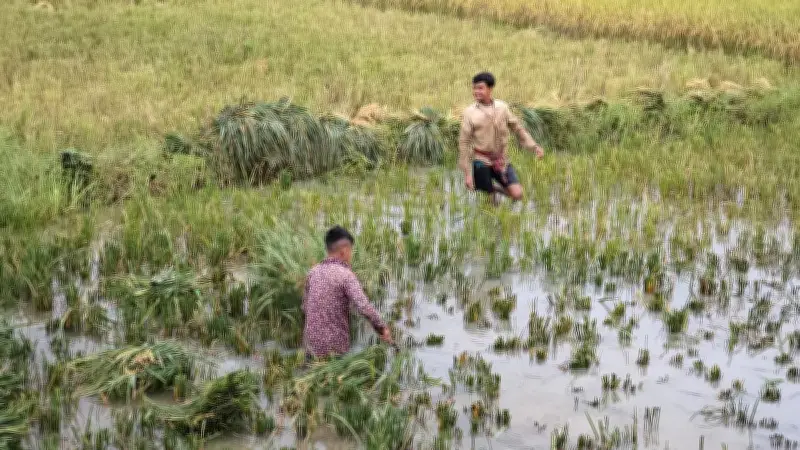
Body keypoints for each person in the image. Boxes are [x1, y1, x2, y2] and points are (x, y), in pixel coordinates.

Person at [302, 226, 393, 359]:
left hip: (310, 347)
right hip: (334, 350)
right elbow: (364, 306)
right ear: (344, 251)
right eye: (351, 251)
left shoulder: (313, 272)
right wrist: (382, 328)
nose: (351, 255)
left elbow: (304, 307)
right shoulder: (346, 275)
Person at [458, 72, 544, 205]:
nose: (476, 91)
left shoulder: (502, 108)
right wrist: (467, 174)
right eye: (474, 88)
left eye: (480, 88)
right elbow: (464, 143)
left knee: (518, 194)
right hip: (481, 161)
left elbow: (517, 128)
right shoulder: (469, 113)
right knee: (492, 203)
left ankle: (494, 189)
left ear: (490, 89)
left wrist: (534, 146)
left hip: (501, 160)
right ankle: (492, 209)